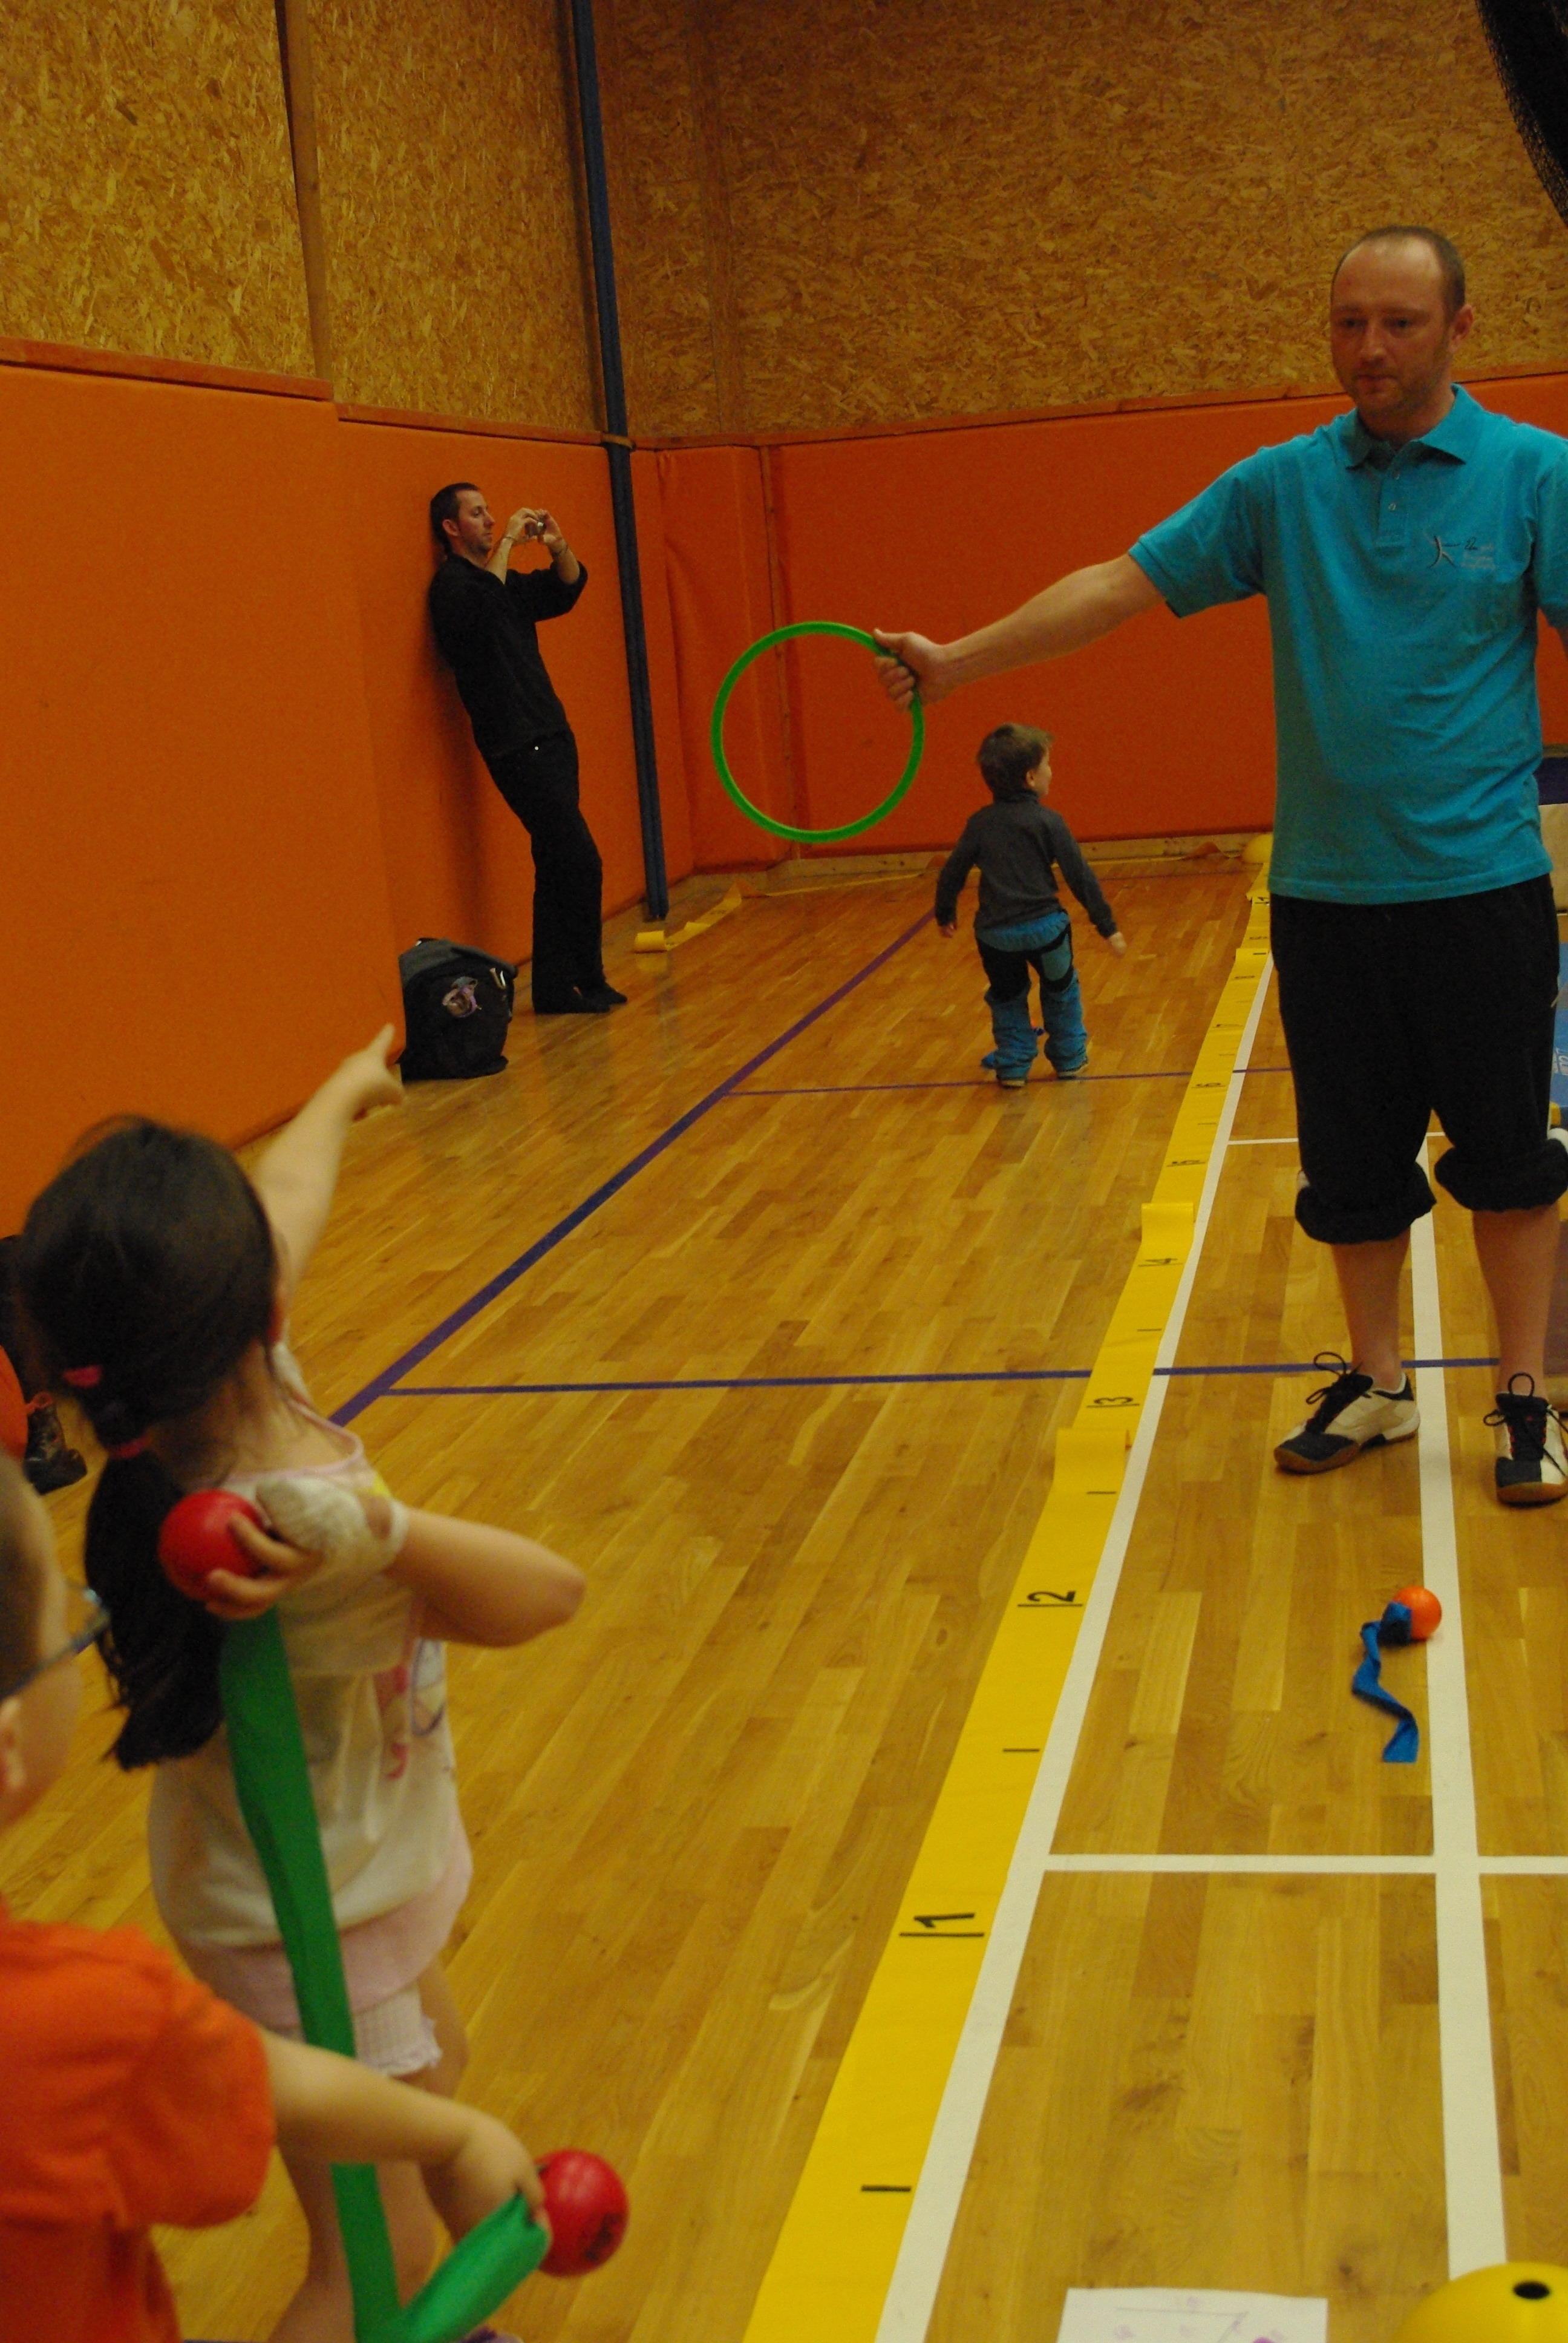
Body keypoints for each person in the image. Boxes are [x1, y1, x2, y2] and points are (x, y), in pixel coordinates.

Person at [875, 225, 1568, 1506]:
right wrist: (957, 662)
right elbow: (1117, 585)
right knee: (1351, 1171)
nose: (1370, 347)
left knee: (1512, 1165)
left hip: (1482, 893)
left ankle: (1525, 1398)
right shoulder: (1281, 486)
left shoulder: (1536, 474)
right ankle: (1377, 1382)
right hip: (1326, 896)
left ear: (1461, 330)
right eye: (1349, 322)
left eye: (1400, 322)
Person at [15, 1029, 584, 2341]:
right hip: (311, 1918)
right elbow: (547, 1595)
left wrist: (340, 1091)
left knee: (440, 2069)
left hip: (292, 1874)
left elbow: (283, 1204)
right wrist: (389, 1530)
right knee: (367, 2255)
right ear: (260, 1313)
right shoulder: (295, 1539)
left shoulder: (188, 1414)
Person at [0, 1448, 547, 2343]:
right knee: (379, 2256)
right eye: (67, 1620)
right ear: (8, 1744)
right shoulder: (80, 2019)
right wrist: (454, 2139)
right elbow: (264, 2091)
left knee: (432, 2073)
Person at [426, 483, 627, 1017]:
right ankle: (586, 977)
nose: (491, 520)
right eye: (477, 513)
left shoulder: (505, 586)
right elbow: (483, 611)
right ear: (451, 528)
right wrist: (511, 543)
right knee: (581, 860)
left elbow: (568, 587)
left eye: (490, 512)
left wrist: (558, 545)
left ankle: (560, 988)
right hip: (516, 745)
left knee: (556, 862)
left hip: (552, 734)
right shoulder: (452, 588)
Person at [935, 723, 1126, 1087]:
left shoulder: (980, 824)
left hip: (996, 936)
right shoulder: (1049, 821)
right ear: (1030, 777)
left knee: (1007, 998)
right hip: (1045, 931)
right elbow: (1079, 876)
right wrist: (1108, 926)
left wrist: (945, 914)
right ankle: (1069, 1059)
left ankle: (1013, 1065)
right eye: (1047, 765)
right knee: (1062, 989)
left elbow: (952, 872)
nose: (1052, 771)